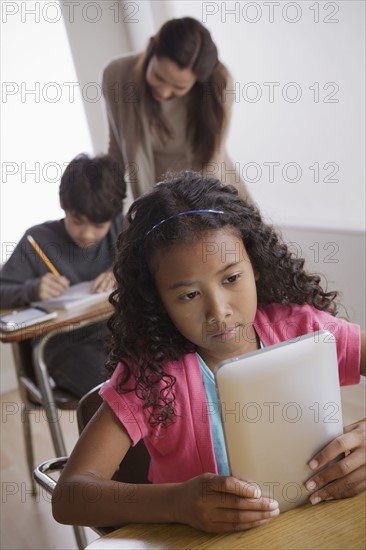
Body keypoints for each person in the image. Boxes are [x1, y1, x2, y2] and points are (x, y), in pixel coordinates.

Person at [52, 171, 365, 531]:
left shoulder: (304, 329)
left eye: (231, 278)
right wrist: (176, 502)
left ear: (256, 265)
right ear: (158, 301)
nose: (218, 311)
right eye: (188, 295)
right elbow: (71, 496)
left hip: (320, 528)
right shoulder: (152, 376)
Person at [0, 154, 126, 397]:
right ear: (62, 204)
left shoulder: (121, 228)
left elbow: (150, 270)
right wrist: (33, 289)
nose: (87, 234)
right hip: (65, 346)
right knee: (116, 392)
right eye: (78, 221)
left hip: (118, 333)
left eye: (99, 226)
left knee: (156, 373)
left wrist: (118, 272)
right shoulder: (37, 240)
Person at [102, 16, 249, 206]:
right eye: (158, 77)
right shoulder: (117, 75)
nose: (164, 92)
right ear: (151, 50)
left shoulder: (219, 84)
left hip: (212, 192)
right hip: (157, 198)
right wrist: (100, 202)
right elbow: (117, 152)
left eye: (179, 87)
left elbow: (213, 159)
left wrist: (192, 212)